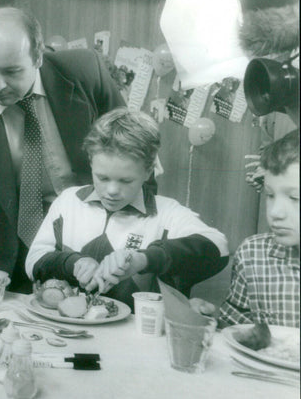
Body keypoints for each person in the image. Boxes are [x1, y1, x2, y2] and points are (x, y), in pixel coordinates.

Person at [0, 7, 126, 293]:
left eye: (12, 71)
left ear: (38, 55)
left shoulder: (86, 73)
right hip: (24, 258)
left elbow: (133, 151)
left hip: (102, 244)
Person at [25, 108, 229, 309]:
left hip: (136, 336)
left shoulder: (167, 213)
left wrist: (143, 259)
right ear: (91, 163)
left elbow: (219, 247)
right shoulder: (69, 201)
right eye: (102, 178)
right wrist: (72, 263)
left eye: (126, 180)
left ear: (148, 171)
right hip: (66, 328)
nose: (112, 191)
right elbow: (33, 262)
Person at [191, 130, 299, 334]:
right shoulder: (253, 254)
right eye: (270, 195)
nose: (275, 212)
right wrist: (208, 319)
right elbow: (238, 329)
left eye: (295, 198)